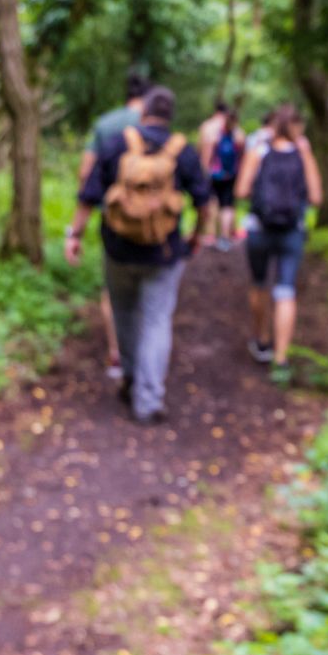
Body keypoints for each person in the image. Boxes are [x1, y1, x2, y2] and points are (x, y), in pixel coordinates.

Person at [67, 86, 210, 423]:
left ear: (143, 110)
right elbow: (204, 202)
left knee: (124, 312)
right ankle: (148, 400)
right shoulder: (182, 151)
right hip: (163, 252)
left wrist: (75, 235)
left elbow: (89, 193)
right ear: (171, 114)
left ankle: (130, 377)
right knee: (157, 320)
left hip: (117, 248)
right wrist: (197, 235)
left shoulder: (118, 142)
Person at [75, 67, 151, 388]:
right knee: (149, 289)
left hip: (113, 218)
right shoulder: (154, 125)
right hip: (151, 222)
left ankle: (116, 353)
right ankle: (146, 356)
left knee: (113, 290)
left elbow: (85, 172)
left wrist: (80, 220)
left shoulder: (106, 124)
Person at [237, 103, 323, 370]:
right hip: (292, 232)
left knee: (259, 283)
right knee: (286, 290)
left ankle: (262, 339)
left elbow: (240, 190)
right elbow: (316, 197)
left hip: (259, 230)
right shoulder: (302, 153)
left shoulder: (260, 150)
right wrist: (306, 155)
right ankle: (282, 357)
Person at [193, 98, 240, 250]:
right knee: (227, 204)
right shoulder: (236, 130)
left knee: (211, 200)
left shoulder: (208, 126)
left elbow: (203, 150)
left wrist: (202, 172)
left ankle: (210, 234)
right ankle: (225, 236)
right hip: (231, 174)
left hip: (214, 172)